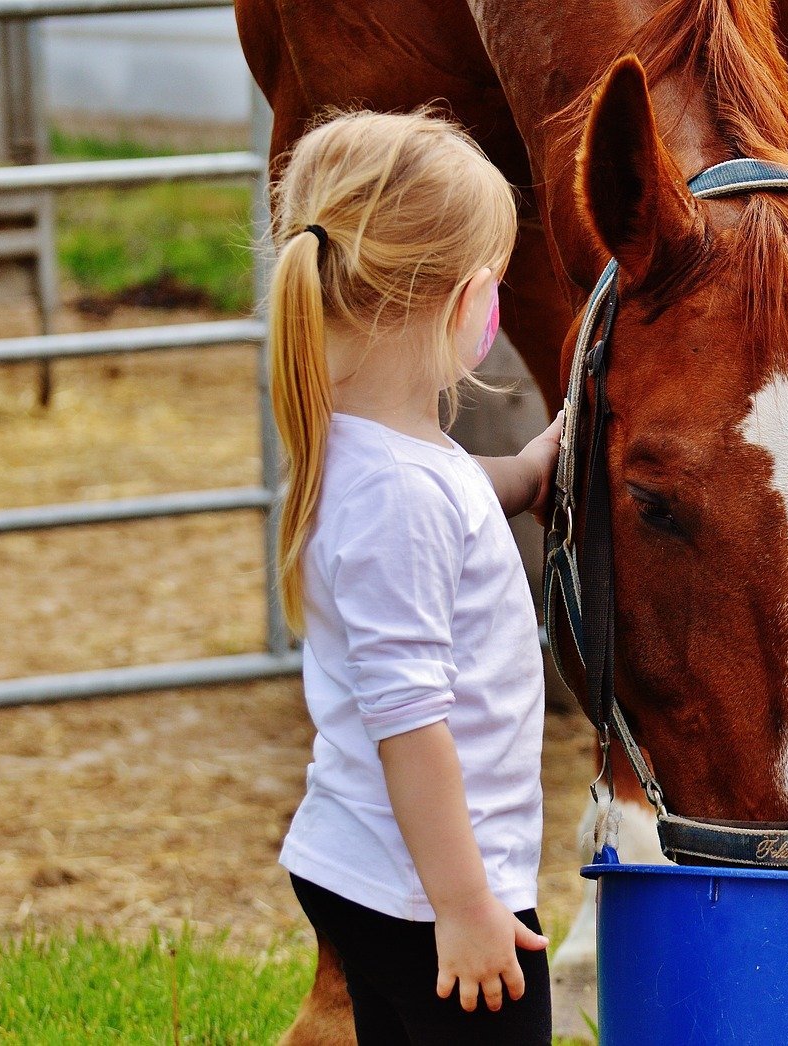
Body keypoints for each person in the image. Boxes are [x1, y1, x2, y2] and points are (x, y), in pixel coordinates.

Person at [268, 109, 561, 1045]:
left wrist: (528, 471)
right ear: (469, 299)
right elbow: (410, 725)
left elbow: (453, 494)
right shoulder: (400, 494)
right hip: (426, 886)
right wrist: (466, 907)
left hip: (369, 865)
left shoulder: (373, 455)